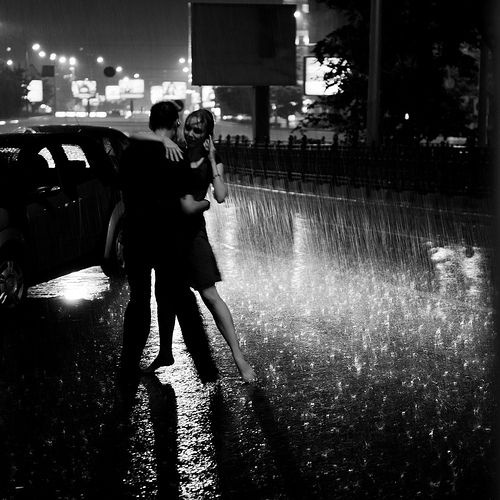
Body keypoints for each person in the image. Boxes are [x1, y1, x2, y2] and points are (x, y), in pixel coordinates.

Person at [118, 101, 209, 377]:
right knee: (172, 296)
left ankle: (129, 362)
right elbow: (187, 203)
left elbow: (122, 189)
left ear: (150, 122)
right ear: (176, 123)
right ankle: (197, 362)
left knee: (138, 299)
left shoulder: (130, 152)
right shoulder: (176, 156)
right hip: (168, 239)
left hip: (135, 236)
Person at [181, 109, 256, 383]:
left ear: (207, 136)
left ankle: (238, 355)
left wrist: (212, 161)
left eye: (197, 131)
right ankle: (166, 352)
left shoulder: (213, 159)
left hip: (192, 234)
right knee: (167, 297)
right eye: (188, 128)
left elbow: (222, 196)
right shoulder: (175, 152)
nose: (190, 134)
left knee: (210, 295)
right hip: (169, 231)